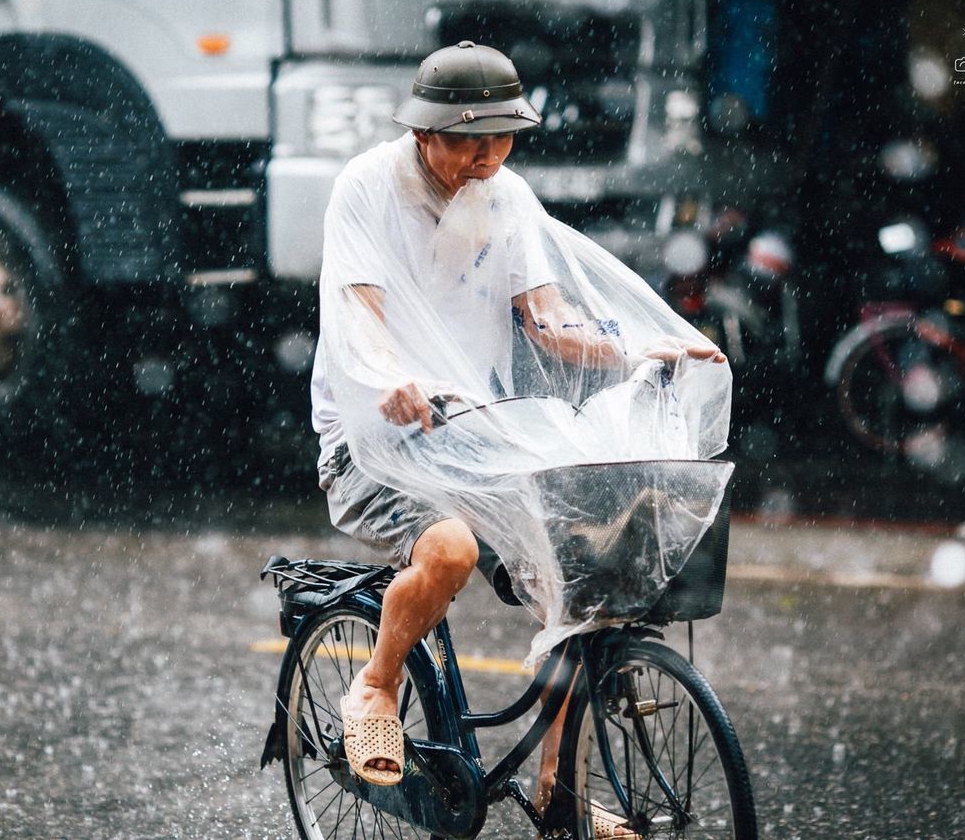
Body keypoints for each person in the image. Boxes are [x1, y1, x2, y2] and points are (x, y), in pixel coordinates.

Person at [311, 41, 725, 834]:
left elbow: (550, 320)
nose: (487, 156)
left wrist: (641, 348)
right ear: (424, 132)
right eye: (469, 139)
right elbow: (356, 305)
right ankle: (377, 684)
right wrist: (387, 376)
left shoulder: (505, 196)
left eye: (501, 138)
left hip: (475, 434)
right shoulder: (365, 188)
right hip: (375, 433)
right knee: (453, 550)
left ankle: (557, 787)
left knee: (584, 574)